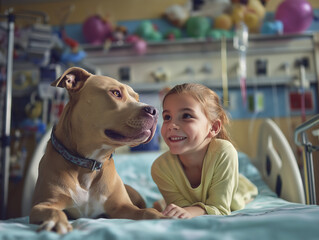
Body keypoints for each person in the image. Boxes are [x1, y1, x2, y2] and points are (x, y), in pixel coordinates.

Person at [151, 83, 257, 219]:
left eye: (186, 116)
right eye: (167, 117)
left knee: (238, 198)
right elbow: (182, 210)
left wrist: (189, 211)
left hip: (235, 192)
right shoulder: (160, 168)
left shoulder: (223, 152)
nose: (172, 125)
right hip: (194, 199)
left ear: (213, 127)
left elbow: (220, 208)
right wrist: (184, 211)